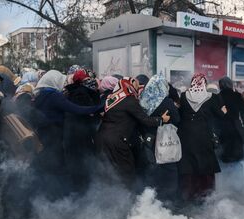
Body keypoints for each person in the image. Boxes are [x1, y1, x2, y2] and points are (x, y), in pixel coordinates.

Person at [31, 70, 103, 196]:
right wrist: (99, 108)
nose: (63, 83)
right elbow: (75, 109)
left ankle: (46, 198)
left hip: (44, 136)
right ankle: (60, 198)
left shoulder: (40, 95)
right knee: (58, 168)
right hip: (55, 136)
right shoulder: (53, 95)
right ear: (54, 81)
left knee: (48, 168)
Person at [95, 77, 170, 188]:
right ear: (129, 85)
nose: (138, 87)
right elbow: (144, 120)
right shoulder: (129, 100)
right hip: (117, 141)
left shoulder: (111, 98)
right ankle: (127, 200)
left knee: (108, 171)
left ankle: (108, 199)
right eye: (136, 84)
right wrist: (161, 120)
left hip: (101, 138)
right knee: (127, 171)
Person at [177, 73, 226, 203]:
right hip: (204, 136)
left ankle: (188, 195)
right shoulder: (211, 97)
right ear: (204, 83)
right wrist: (224, 111)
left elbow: (178, 115)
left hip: (186, 137)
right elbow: (220, 115)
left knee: (188, 166)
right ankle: (205, 195)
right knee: (205, 166)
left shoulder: (183, 96)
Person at [137, 74, 180, 203]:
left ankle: (151, 200)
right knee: (169, 169)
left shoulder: (143, 100)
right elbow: (177, 119)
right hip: (164, 141)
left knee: (152, 169)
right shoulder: (166, 101)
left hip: (148, 140)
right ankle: (168, 200)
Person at [62, 69, 102, 192]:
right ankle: (82, 194)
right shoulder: (81, 93)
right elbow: (86, 111)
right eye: (86, 79)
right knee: (82, 167)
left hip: (73, 135)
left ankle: (78, 191)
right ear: (82, 81)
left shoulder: (71, 91)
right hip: (79, 135)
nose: (89, 81)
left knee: (77, 167)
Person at [217, 76, 244, 163]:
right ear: (230, 85)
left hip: (222, 128)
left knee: (224, 156)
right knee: (237, 157)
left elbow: (215, 114)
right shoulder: (237, 96)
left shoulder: (217, 97)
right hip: (236, 127)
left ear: (220, 86)